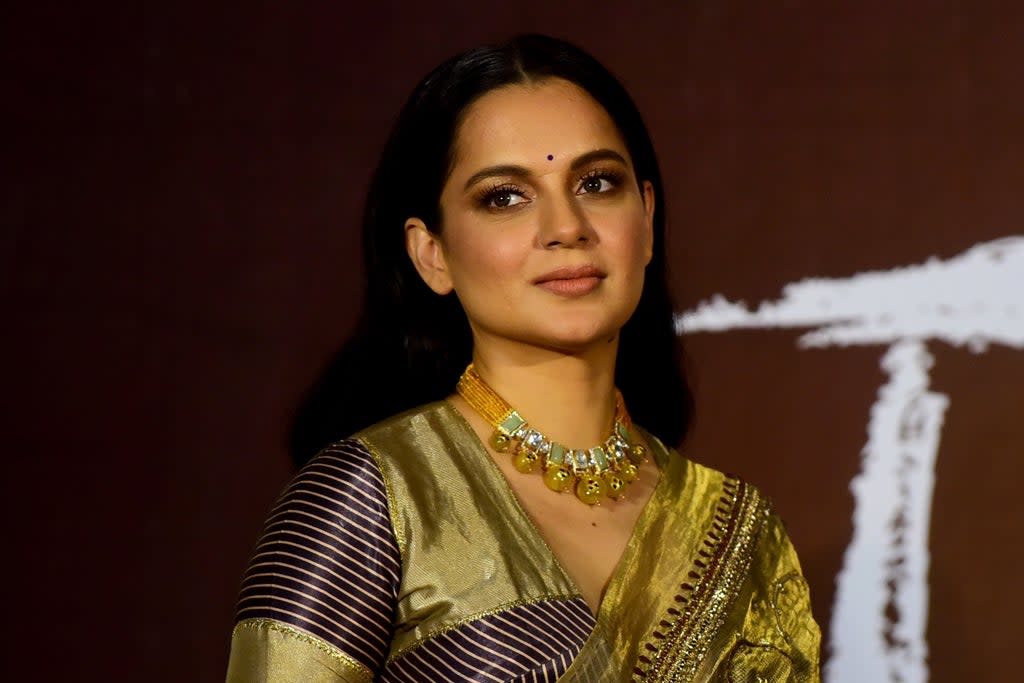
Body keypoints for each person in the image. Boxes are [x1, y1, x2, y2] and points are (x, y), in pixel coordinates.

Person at [225, 34, 821, 682]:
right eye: (505, 196)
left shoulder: (741, 535)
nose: (567, 226)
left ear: (646, 220)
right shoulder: (370, 500)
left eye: (597, 183)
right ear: (432, 254)